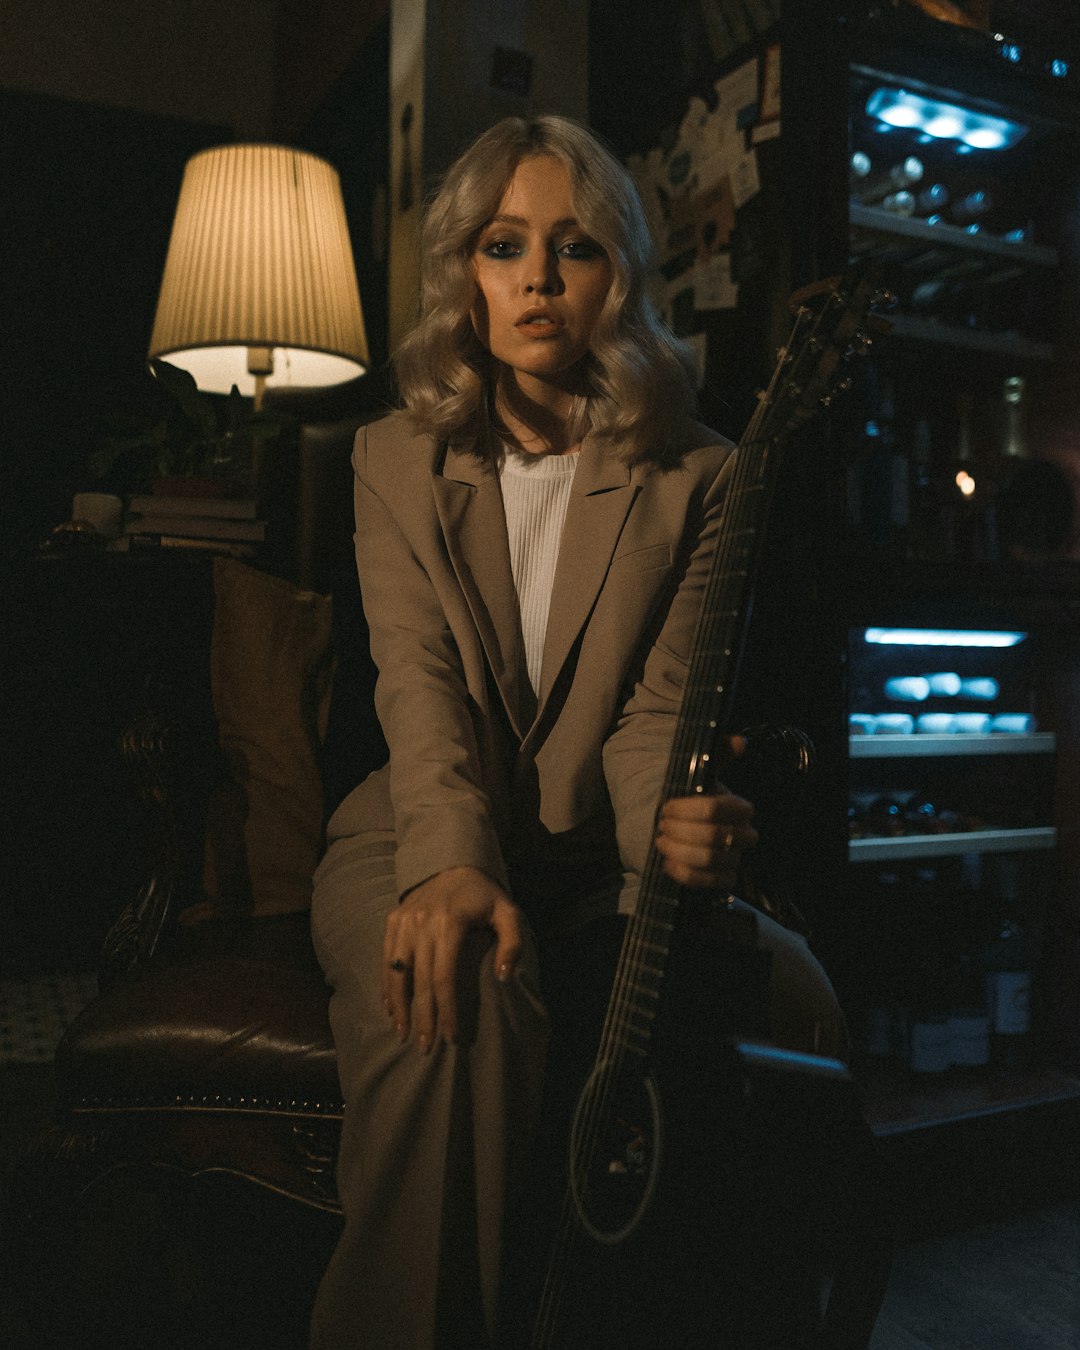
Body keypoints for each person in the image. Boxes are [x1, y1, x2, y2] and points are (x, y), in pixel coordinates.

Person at [308, 114, 849, 1350]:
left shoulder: (698, 476)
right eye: (504, 246)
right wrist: (450, 867)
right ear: (465, 271)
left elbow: (655, 717)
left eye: (575, 248)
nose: (538, 279)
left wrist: (681, 822)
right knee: (458, 1005)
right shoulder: (394, 456)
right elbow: (418, 685)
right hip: (413, 827)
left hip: (590, 854)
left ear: (620, 278)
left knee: (787, 1007)